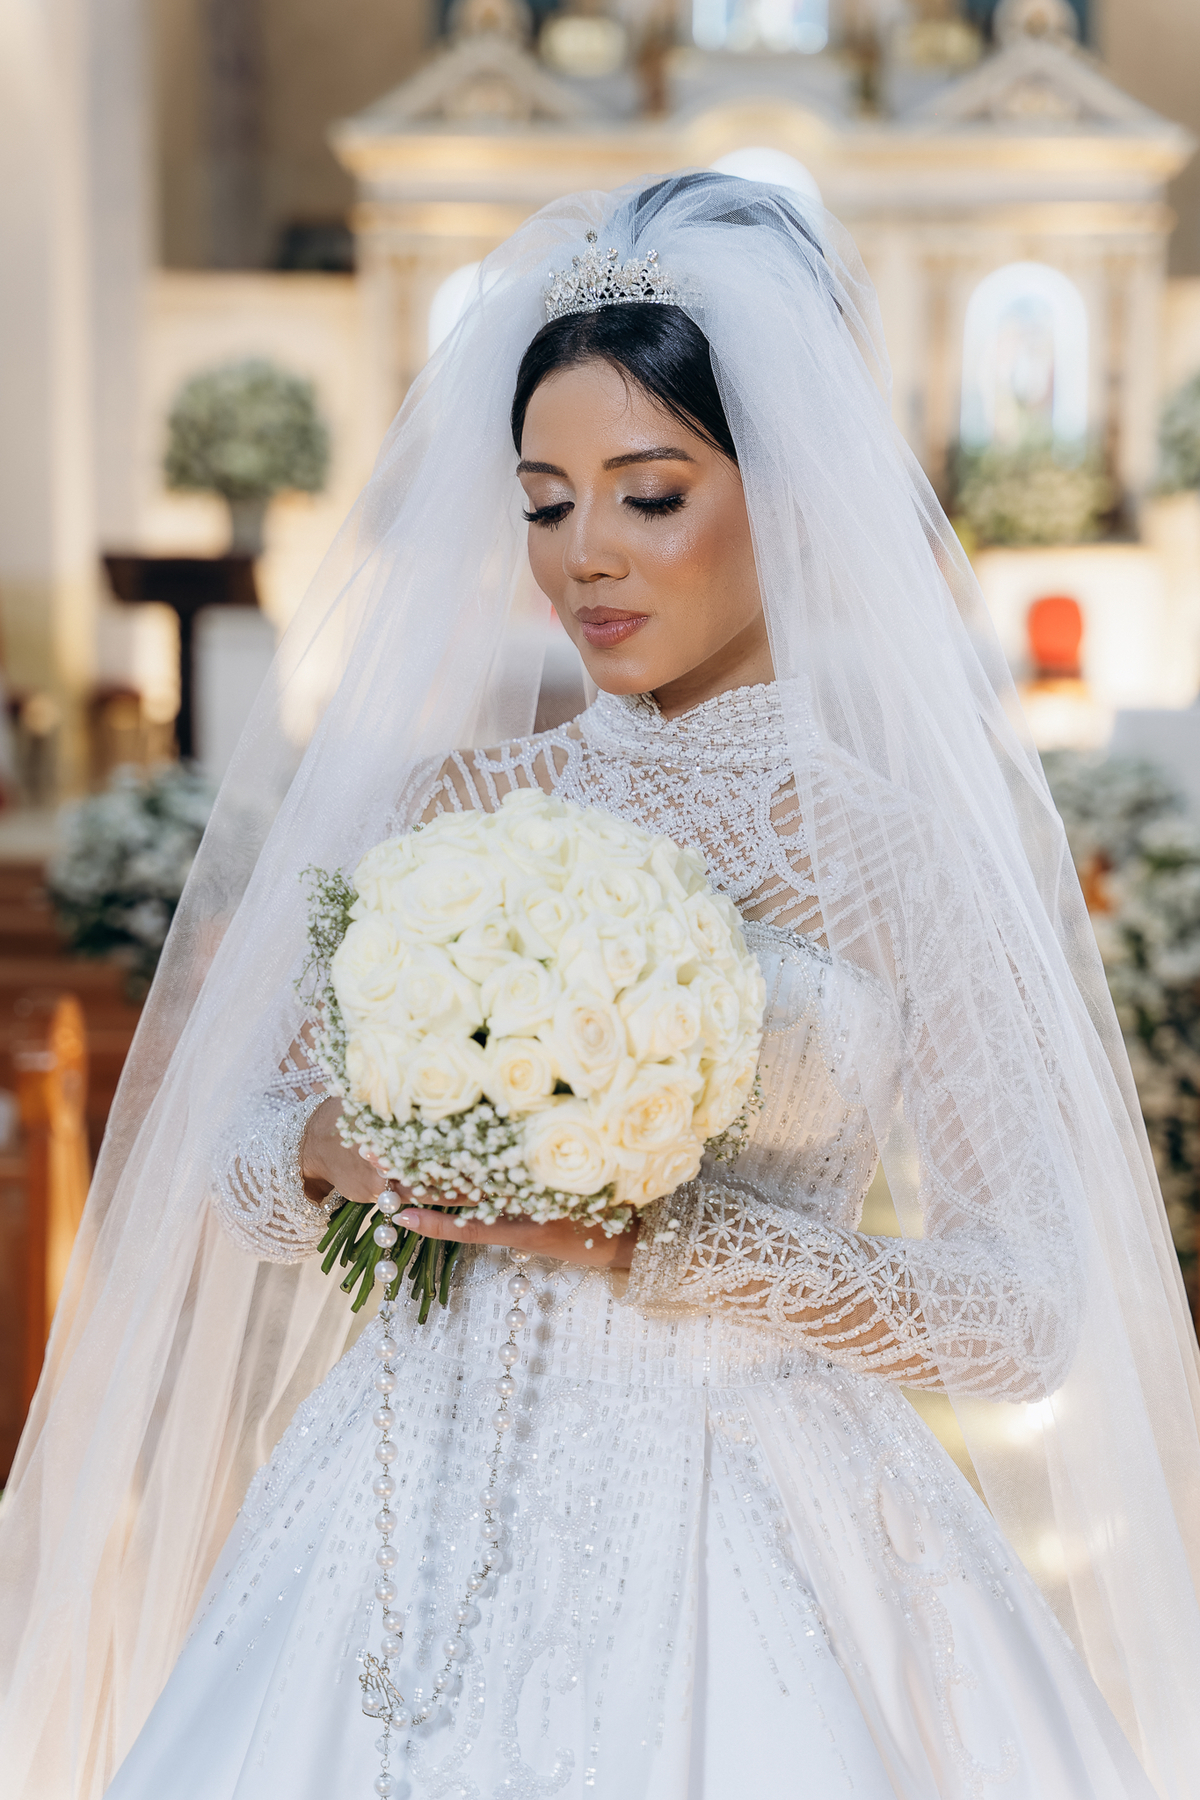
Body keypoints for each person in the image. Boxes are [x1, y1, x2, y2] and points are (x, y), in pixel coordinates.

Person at [2, 175, 1199, 1800]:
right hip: (408, 1511)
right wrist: (331, 1155)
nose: (587, 558)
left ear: (789, 490)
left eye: (648, 494)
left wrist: (676, 1243)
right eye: (545, 501)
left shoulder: (899, 859)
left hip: (757, 1507)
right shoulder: (458, 808)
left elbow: (1022, 1312)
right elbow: (247, 1160)